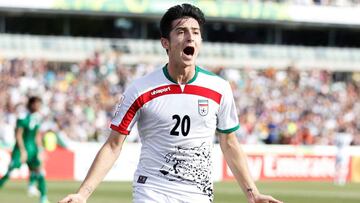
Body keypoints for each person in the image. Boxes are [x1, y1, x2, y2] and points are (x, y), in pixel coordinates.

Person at [59, 3, 282, 203]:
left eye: (195, 32)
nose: (190, 38)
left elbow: (229, 143)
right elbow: (113, 145)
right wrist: (83, 194)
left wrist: (253, 195)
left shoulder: (219, 88)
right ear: (165, 42)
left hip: (198, 193)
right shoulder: (141, 89)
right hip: (152, 190)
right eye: (181, 32)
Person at [0, 96, 50, 203]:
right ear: (30, 104)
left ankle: (43, 198)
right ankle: (31, 186)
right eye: (36, 104)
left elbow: (37, 135)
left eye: (39, 104)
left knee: (40, 171)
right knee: (10, 171)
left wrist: (40, 150)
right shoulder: (23, 117)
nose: (38, 106)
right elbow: (18, 135)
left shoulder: (37, 118)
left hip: (33, 150)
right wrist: (22, 151)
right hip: (21, 149)